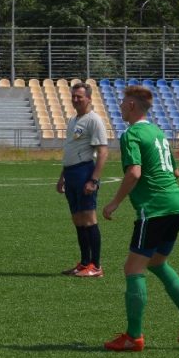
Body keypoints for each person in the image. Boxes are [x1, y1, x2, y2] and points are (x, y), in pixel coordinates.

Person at [101, 85, 179, 352]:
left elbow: (134, 173)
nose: (121, 106)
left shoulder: (132, 134)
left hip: (155, 208)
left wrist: (114, 203)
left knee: (133, 269)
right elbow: (177, 173)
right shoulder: (159, 133)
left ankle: (133, 337)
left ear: (133, 106)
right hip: (178, 203)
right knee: (157, 263)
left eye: (123, 102)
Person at [56, 82, 108, 278]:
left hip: (85, 172)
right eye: (74, 96)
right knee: (78, 220)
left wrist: (93, 180)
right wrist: (62, 177)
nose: (76, 99)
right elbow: (70, 150)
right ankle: (84, 263)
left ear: (89, 98)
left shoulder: (94, 120)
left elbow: (102, 153)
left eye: (80, 96)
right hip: (71, 174)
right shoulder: (73, 120)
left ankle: (96, 265)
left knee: (89, 219)